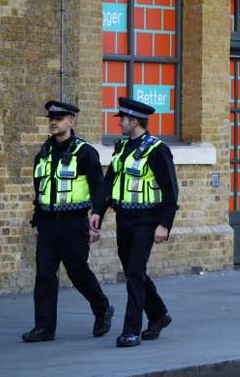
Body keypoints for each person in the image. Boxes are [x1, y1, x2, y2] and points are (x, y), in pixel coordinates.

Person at [23, 101, 114, 342]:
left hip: (74, 223)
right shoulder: (43, 153)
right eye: (51, 118)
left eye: (60, 118)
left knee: (78, 272)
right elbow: (40, 191)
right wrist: (36, 222)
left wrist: (97, 222)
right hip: (48, 223)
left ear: (71, 121)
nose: (53, 122)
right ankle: (44, 327)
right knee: (44, 275)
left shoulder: (85, 153)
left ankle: (102, 308)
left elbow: (99, 190)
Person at [91, 97, 178, 348]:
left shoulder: (157, 149)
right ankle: (159, 314)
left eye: (123, 120)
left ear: (135, 121)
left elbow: (170, 190)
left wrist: (164, 224)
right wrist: (99, 210)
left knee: (135, 273)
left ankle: (131, 330)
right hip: (124, 218)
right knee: (133, 272)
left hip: (146, 219)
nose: (120, 124)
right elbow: (109, 182)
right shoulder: (122, 148)